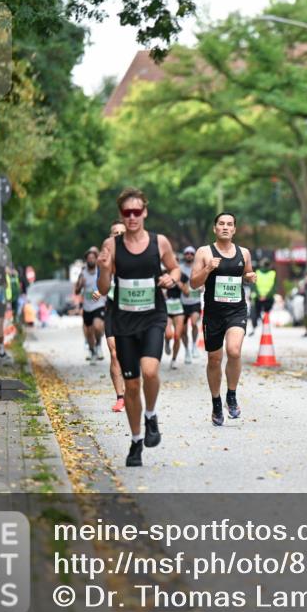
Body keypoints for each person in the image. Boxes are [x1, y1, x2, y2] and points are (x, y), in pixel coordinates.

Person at [97, 187, 181, 467]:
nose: (131, 217)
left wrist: (170, 278)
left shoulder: (159, 242)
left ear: (144, 212)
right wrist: (104, 269)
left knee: (150, 370)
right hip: (123, 320)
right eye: (126, 213)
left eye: (136, 212)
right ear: (121, 214)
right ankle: (135, 442)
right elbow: (103, 288)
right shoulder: (111, 245)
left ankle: (151, 415)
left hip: (153, 315)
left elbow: (176, 269)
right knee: (131, 386)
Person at [189, 212, 257, 427]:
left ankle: (232, 395)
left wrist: (250, 277)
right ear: (215, 228)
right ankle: (216, 403)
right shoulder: (204, 252)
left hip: (236, 310)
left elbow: (247, 273)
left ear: (235, 229)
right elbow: (192, 283)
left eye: (229, 224)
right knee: (214, 359)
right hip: (213, 313)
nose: (225, 227)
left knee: (234, 351)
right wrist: (208, 268)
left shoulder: (243, 252)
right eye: (221, 224)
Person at [101, 221, 127, 412]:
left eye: (121, 232)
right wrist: (99, 289)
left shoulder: (137, 253)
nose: (118, 235)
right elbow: (101, 280)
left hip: (132, 309)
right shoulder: (106, 254)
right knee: (114, 352)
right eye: (114, 233)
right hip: (112, 308)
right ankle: (120, 397)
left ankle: (131, 390)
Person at [76, 247, 107, 363]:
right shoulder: (82, 273)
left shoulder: (101, 271)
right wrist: (80, 285)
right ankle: (92, 350)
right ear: (86, 260)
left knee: (98, 326)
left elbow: (106, 285)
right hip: (87, 306)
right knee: (89, 332)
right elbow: (76, 291)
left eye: (93, 258)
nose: (91, 260)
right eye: (89, 258)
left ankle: (98, 344)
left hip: (98, 304)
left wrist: (101, 295)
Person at [178, 246, 202, 362]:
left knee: (193, 323)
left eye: (191, 253)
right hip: (183, 302)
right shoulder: (180, 268)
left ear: (194, 255)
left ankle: (194, 346)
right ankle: (187, 350)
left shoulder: (198, 268)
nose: (189, 255)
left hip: (195, 302)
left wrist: (202, 286)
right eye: (187, 253)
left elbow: (204, 281)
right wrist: (182, 287)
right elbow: (176, 281)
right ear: (184, 255)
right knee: (182, 330)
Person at [251, 258, 277, 331]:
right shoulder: (273, 273)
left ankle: (255, 325)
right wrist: (266, 296)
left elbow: (253, 285)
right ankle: (265, 325)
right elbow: (274, 287)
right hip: (268, 298)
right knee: (266, 313)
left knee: (256, 312)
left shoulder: (257, 272)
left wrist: (259, 295)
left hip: (257, 298)